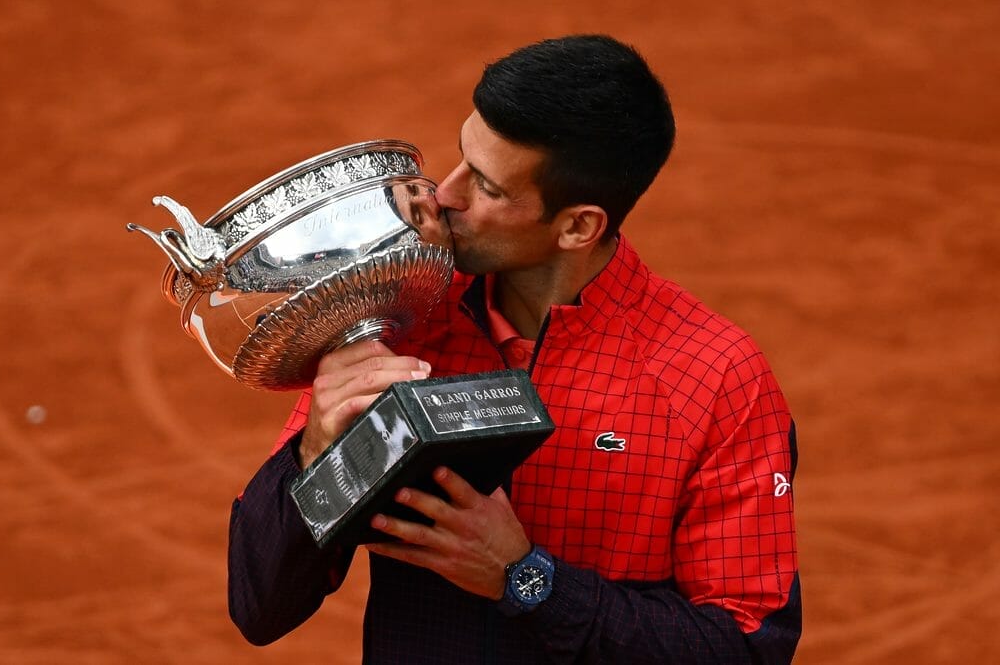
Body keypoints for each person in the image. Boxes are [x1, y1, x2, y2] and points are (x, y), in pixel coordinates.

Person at [228, 34, 801, 664]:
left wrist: (528, 580)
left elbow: (746, 649)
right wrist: (314, 455)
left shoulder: (716, 378)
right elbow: (260, 607)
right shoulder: (404, 318)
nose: (444, 195)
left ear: (578, 225)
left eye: (487, 186)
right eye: (461, 158)